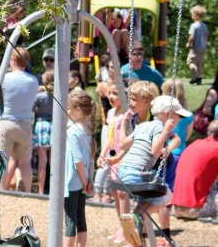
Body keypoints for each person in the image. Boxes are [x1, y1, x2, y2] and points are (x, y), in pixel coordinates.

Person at [110, 95, 184, 246]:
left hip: (122, 172)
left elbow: (122, 144)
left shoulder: (143, 126)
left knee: (145, 202)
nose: (179, 119)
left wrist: (124, 123)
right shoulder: (160, 128)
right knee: (161, 200)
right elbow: (154, 151)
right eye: (178, 116)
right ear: (167, 114)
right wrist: (165, 132)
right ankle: (137, 218)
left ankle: (135, 227)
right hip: (137, 173)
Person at [0, 46, 39, 192]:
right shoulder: (34, 81)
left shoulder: (4, 78)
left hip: (6, 122)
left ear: (11, 60)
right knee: (25, 163)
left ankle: (1, 190)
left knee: (2, 160)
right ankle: (28, 192)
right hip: (25, 124)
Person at [64, 89, 96, 247]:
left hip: (72, 182)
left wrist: (84, 182)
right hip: (83, 180)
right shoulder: (87, 130)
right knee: (80, 219)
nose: (67, 111)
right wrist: (89, 181)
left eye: (69, 108)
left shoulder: (73, 131)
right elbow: (90, 159)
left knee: (70, 220)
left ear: (78, 109)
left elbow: (78, 161)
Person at [95, 83, 125, 241]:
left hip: (123, 157)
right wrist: (102, 154)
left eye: (115, 93)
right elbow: (109, 137)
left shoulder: (127, 114)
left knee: (121, 193)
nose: (111, 97)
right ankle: (122, 225)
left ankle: (127, 228)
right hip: (113, 157)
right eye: (110, 93)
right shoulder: (111, 112)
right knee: (114, 191)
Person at [161, 79, 193, 195]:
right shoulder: (189, 115)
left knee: (163, 181)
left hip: (163, 151)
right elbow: (187, 136)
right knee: (174, 181)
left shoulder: (162, 114)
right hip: (180, 152)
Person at [33, 70, 54, 194]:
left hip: (41, 125)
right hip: (54, 126)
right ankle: (54, 189)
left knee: (42, 161)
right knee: (54, 162)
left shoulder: (40, 96)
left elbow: (32, 108)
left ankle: (41, 190)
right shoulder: (59, 96)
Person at [187, 5, 208, 85]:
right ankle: (199, 78)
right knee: (199, 63)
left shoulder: (193, 25)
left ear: (195, 15)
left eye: (192, 14)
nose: (191, 15)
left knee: (191, 62)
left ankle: (195, 76)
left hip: (195, 48)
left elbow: (191, 37)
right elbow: (206, 36)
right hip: (202, 48)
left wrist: (188, 43)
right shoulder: (204, 25)